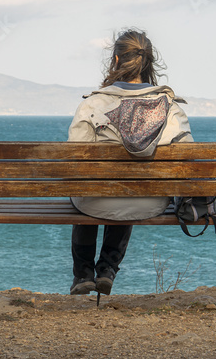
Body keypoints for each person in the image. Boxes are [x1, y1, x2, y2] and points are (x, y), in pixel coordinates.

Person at [66, 28, 193, 295]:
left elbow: (75, 161)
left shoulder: (93, 104)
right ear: (148, 62)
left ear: (115, 60)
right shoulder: (170, 106)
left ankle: (83, 274)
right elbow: (188, 161)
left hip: (94, 201)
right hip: (148, 201)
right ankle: (108, 269)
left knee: (87, 187)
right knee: (131, 188)